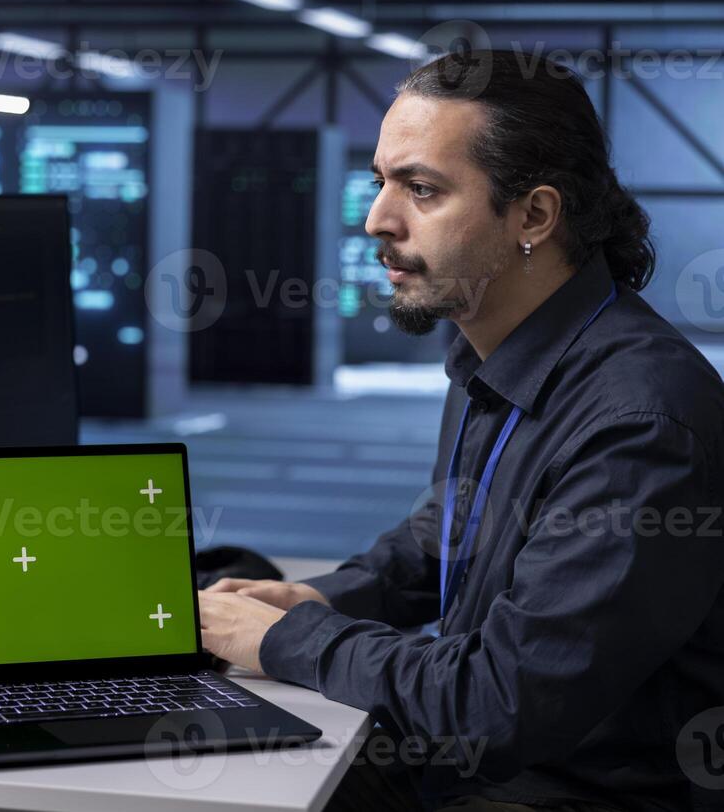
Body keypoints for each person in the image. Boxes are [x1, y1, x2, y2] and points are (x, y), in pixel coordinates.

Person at [198, 50, 724, 810]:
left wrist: (287, 642)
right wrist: (316, 599)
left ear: (534, 217)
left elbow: (500, 699)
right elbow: (449, 533)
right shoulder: (496, 351)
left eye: (421, 189)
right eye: (381, 181)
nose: (377, 218)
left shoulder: (642, 422)